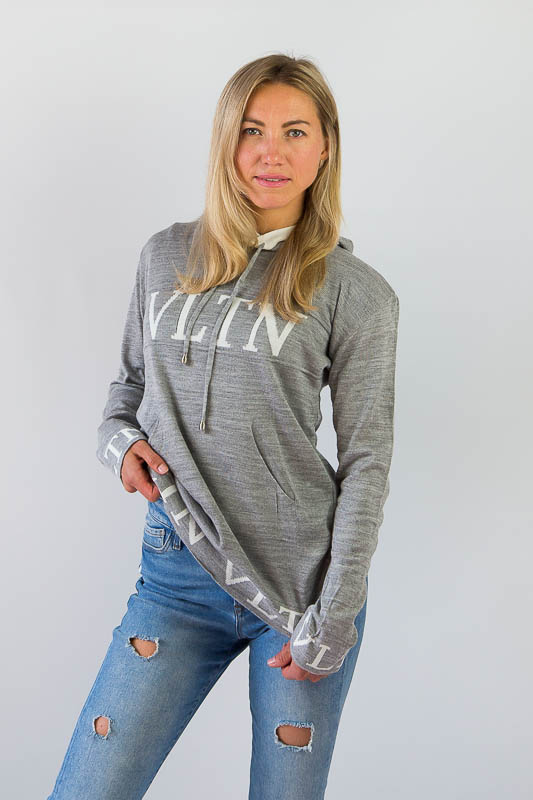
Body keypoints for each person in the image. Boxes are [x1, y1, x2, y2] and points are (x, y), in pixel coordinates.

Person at [46, 53, 400, 800]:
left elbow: (367, 460)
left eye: (294, 131)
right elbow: (126, 391)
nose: (271, 152)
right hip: (176, 576)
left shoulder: (357, 294)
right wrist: (120, 445)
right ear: (226, 142)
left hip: (301, 592)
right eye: (251, 130)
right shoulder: (166, 256)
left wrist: (333, 618)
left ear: (325, 146)